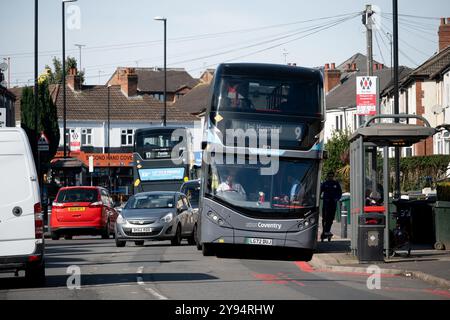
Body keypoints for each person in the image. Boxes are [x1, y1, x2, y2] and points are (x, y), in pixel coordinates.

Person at [320, 171, 342, 241]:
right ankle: (324, 231)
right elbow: (320, 191)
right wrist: (320, 197)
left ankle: (327, 230)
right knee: (325, 218)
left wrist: (337, 198)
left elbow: (340, 192)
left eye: (331, 176)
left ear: (333, 177)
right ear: (327, 177)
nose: (330, 177)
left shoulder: (336, 183)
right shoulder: (325, 184)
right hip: (326, 203)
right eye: (329, 176)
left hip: (333, 203)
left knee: (331, 218)